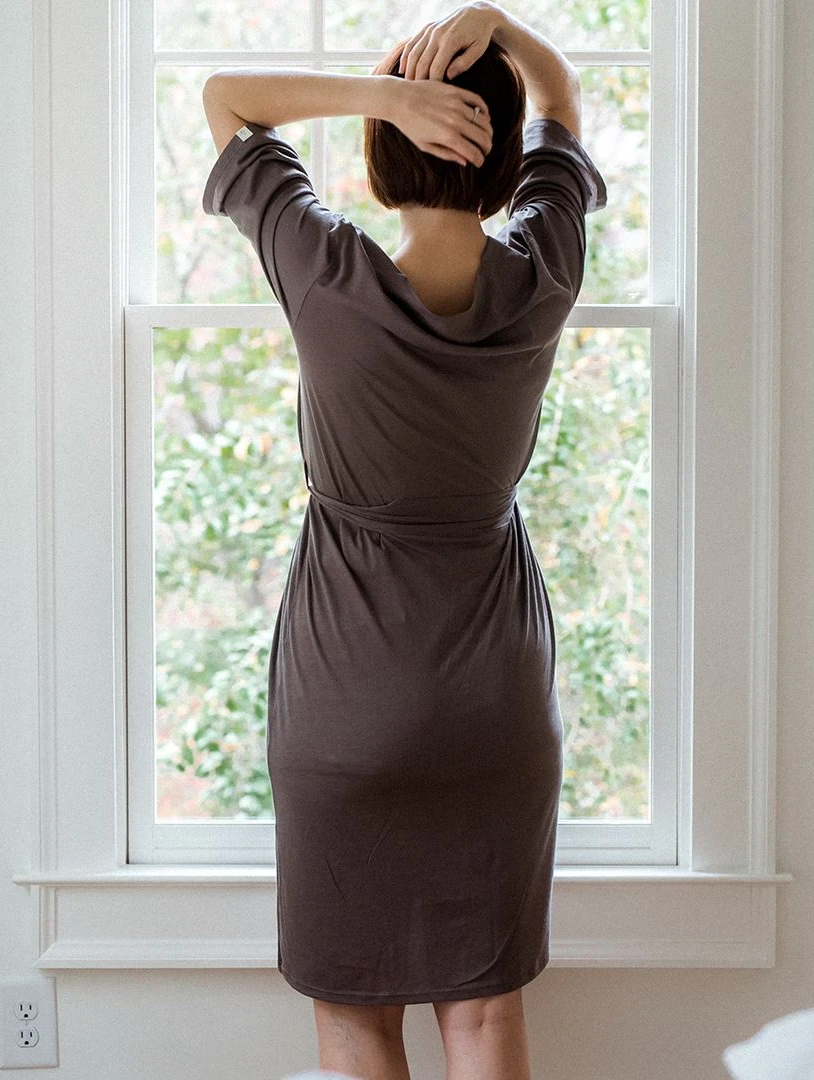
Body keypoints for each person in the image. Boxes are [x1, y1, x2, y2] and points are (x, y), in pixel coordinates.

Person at [201, 4, 607, 1078]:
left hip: (346, 698)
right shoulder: (542, 271)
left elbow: (225, 102)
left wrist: (381, 95)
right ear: (502, 158)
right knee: (483, 1011)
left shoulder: (327, 273)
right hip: (496, 704)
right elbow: (563, 99)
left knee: (354, 1013)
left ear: (387, 151)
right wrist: (497, 24)